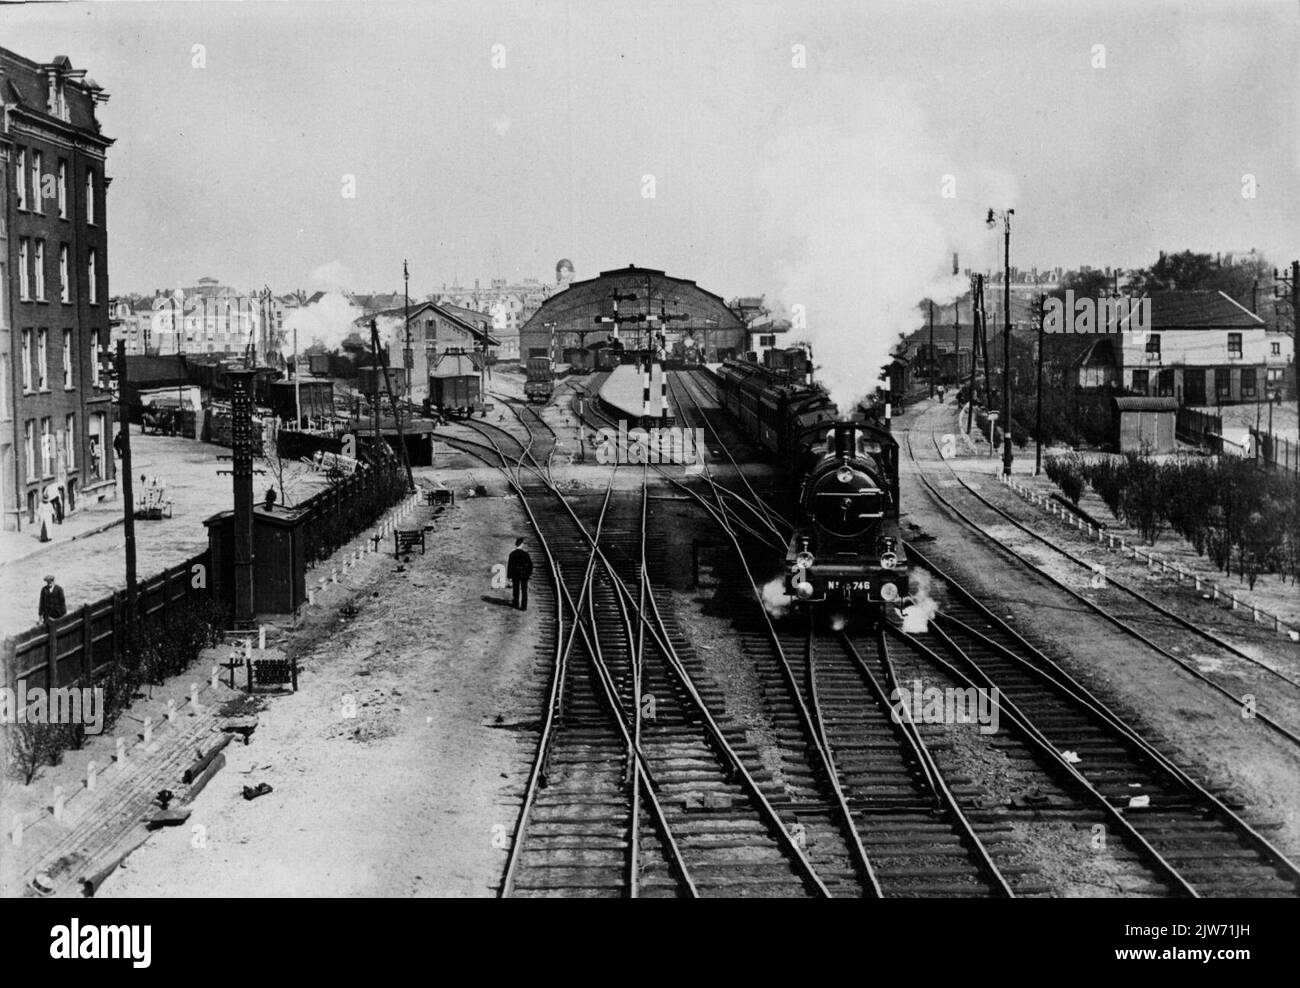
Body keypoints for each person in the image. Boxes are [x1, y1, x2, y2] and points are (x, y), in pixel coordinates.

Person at [506, 537, 533, 611]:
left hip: (515, 574)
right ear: (521, 544)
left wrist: (509, 576)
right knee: (524, 590)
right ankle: (524, 607)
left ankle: (516, 603)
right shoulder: (525, 554)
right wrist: (529, 573)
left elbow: (510, 566)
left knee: (516, 589)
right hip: (524, 574)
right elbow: (530, 565)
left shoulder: (512, 554)